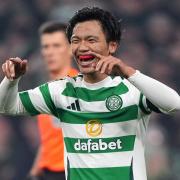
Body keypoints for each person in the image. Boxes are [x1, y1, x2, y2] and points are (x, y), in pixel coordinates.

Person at [0, 7, 180, 180]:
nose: (82, 47)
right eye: (76, 41)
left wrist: (130, 73)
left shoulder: (132, 90)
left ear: (112, 46)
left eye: (91, 40)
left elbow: (174, 104)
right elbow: (6, 106)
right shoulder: (60, 91)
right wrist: (11, 80)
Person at [29, 22, 78, 180]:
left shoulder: (80, 88)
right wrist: (35, 172)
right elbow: (48, 138)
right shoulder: (45, 90)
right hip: (48, 171)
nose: (50, 52)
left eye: (56, 46)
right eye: (46, 46)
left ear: (71, 49)